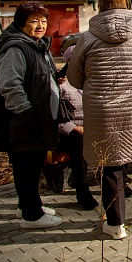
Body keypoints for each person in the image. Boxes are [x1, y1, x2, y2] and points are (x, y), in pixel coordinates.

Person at [67, 0, 132, 240]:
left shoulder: (87, 38)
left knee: (110, 164)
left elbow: (73, 77)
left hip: (102, 113)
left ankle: (116, 224)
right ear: (126, 4)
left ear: (100, 6)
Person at [0, 2, 62, 229]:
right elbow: (10, 85)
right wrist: (26, 113)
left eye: (43, 21)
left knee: (32, 165)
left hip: (36, 117)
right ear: (21, 23)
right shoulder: (16, 48)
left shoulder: (35, 45)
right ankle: (32, 216)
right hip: (24, 119)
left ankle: (31, 205)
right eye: (34, 21)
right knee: (26, 167)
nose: (40, 26)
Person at [57, 46, 98, 210]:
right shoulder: (60, 83)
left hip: (93, 127)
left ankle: (117, 181)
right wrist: (75, 128)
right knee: (79, 141)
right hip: (68, 131)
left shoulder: (92, 79)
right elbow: (56, 117)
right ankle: (83, 191)